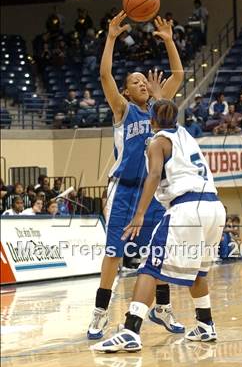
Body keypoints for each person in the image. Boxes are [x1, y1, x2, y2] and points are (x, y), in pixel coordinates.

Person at [92, 99, 226, 352]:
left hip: (187, 209)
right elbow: (166, 109)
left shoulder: (157, 142)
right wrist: (158, 98)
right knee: (199, 271)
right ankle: (205, 324)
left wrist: (139, 213)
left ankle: (131, 330)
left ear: (151, 121)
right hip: (215, 208)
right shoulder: (185, 133)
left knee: (149, 268)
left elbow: (153, 175)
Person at [87, 11, 184, 340]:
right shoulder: (123, 109)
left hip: (152, 193)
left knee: (159, 250)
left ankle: (163, 307)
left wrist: (169, 41)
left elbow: (178, 76)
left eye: (145, 80)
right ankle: (100, 312)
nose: (143, 83)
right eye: (136, 82)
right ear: (127, 92)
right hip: (123, 190)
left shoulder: (159, 108)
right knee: (113, 253)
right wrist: (111, 37)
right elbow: (104, 77)